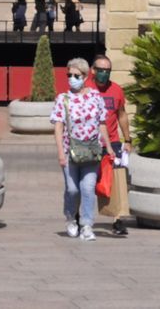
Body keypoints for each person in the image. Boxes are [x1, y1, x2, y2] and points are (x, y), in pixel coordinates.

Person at [50, 57, 113, 241]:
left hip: (92, 151)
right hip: (70, 152)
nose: (71, 78)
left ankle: (87, 225)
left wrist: (108, 146)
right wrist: (60, 152)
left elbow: (102, 124)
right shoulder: (63, 99)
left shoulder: (95, 97)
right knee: (72, 189)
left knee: (87, 188)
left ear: (85, 76)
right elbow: (58, 127)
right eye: (68, 74)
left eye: (76, 75)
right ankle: (71, 217)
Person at [90, 54, 133, 237]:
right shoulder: (85, 89)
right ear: (93, 71)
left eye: (108, 71)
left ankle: (118, 220)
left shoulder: (116, 90)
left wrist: (128, 139)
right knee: (87, 182)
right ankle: (79, 217)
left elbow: (122, 114)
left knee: (116, 182)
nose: (104, 74)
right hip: (89, 142)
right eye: (101, 70)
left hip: (113, 142)